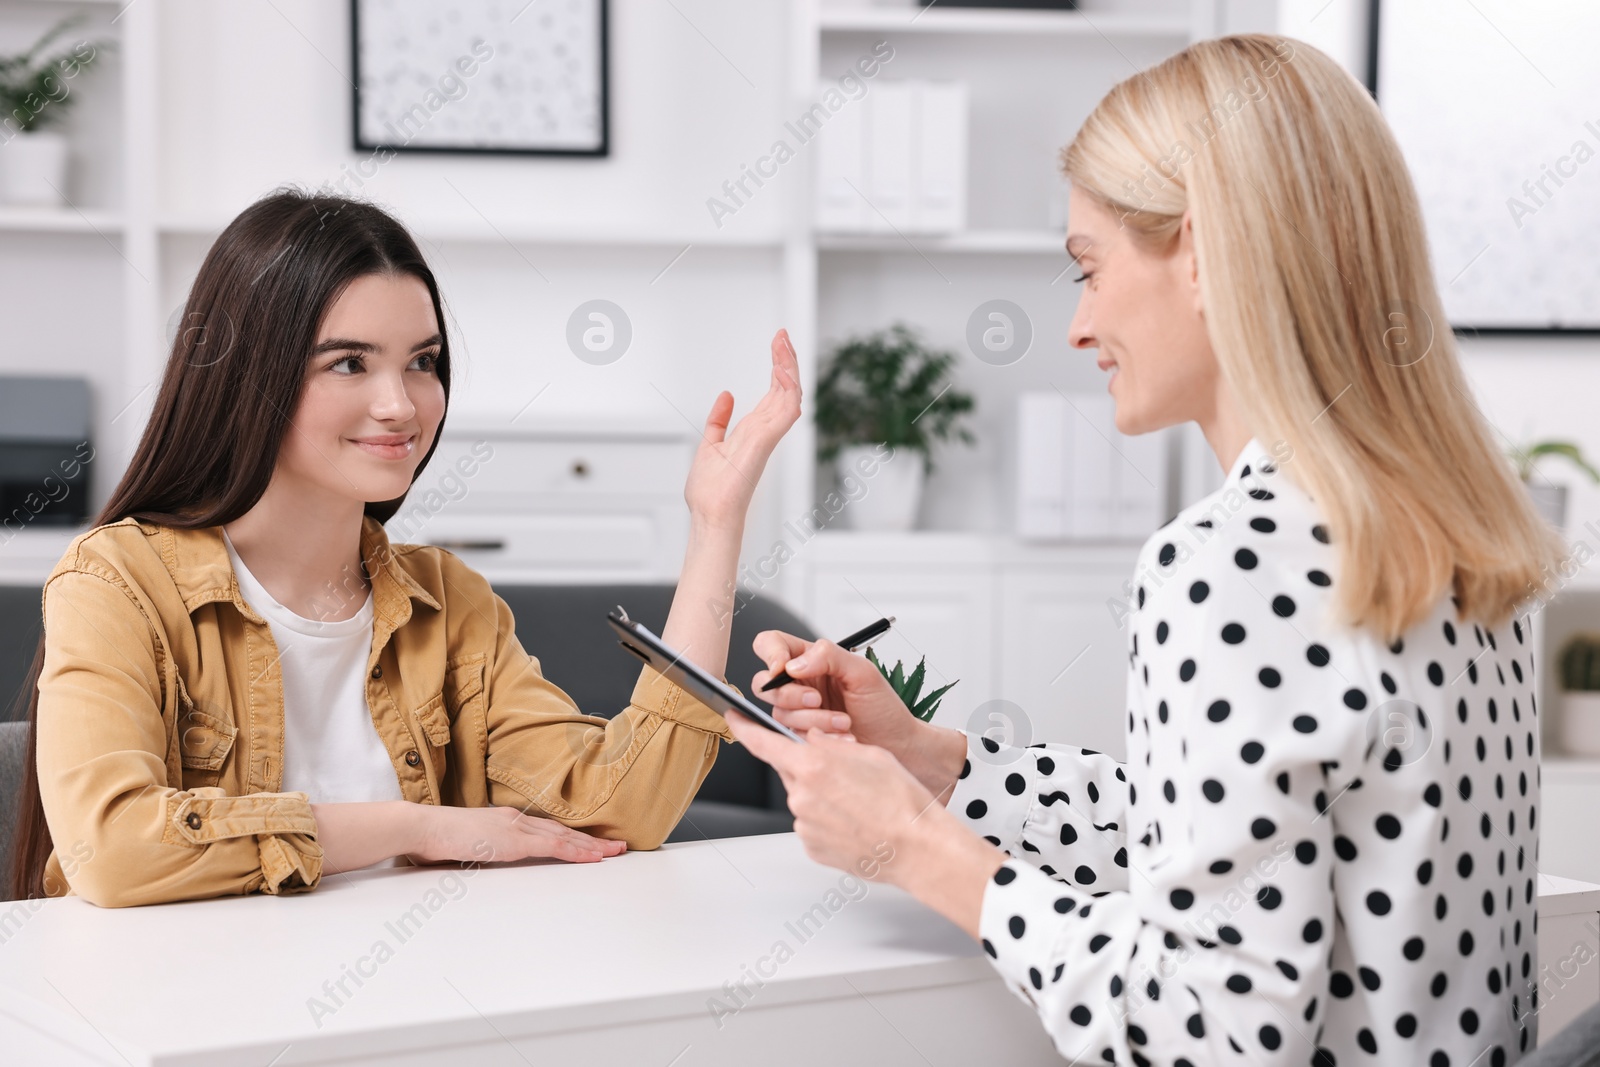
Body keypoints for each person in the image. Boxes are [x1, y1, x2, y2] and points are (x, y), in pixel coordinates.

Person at [729, 33, 1567, 1067]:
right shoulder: (1450, 539)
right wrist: (935, 763)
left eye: (1088, 267)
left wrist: (914, 847)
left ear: (1207, 251)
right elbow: (1244, 843)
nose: (1078, 326)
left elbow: (1213, 1033)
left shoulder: (1229, 562)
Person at [7, 189, 801, 907]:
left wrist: (715, 524)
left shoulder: (448, 602)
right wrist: (417, 827)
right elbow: (108, 850)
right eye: (349, 363)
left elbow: (624, 805)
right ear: (252, 374)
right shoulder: (118, 581)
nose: (400, 404)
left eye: (422, 362)